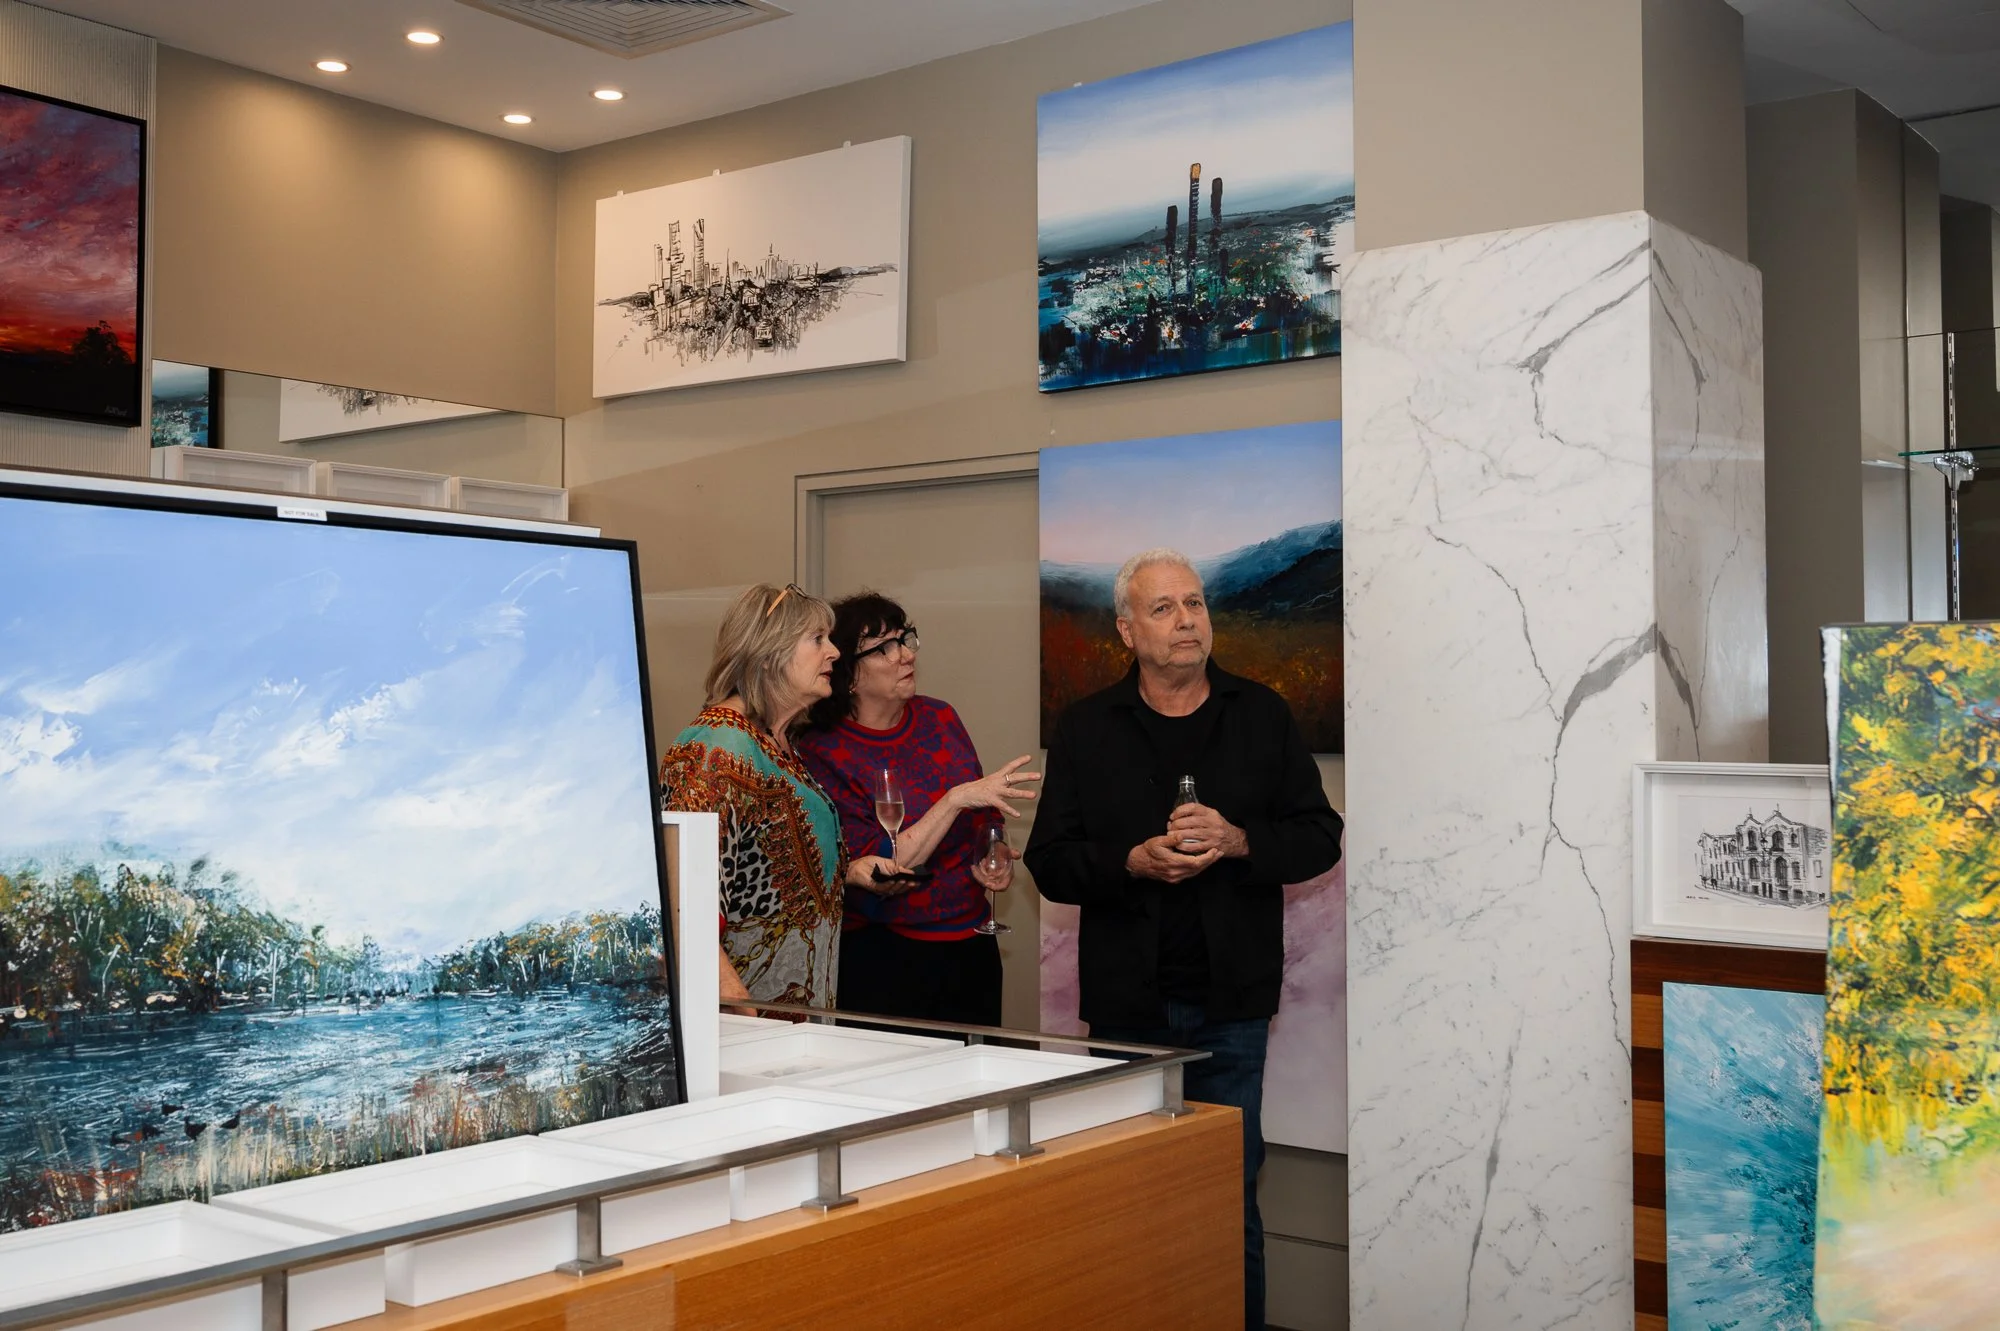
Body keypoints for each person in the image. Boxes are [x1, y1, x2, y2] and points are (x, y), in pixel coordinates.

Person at [1024, 548, 1343, 1331]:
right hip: (1126, 1010)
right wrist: (1128, 860)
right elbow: (1049, 860)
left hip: (1231, 1009)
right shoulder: (1087, 726)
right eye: (1164, 608)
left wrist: (1239, 841)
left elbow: (1319, 836)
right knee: (1125, 1199)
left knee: (1228, 1201)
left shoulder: (1261, 713)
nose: (1187, 620)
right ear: (1127, 629)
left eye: (1195, 604)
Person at [658, 583, 909, 1010]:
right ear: (769, 651)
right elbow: (685, 913)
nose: (834, 652)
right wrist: (742, 1014)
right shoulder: (717, 750)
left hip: (792, 1025)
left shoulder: (776, 742)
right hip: (747, 1030)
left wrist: (846, 872)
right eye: (817, 640)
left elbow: (762, 862)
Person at [798, 592, 1039, 1027]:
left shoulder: (940, 718)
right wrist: (954, 800)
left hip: (970, 944)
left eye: (905, 638)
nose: (906, 654)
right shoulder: (823, 751)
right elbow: (880, 864)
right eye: (885, 647)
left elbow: (984, 815)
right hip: (887, 959)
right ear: (849, 673)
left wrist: (994, 852)